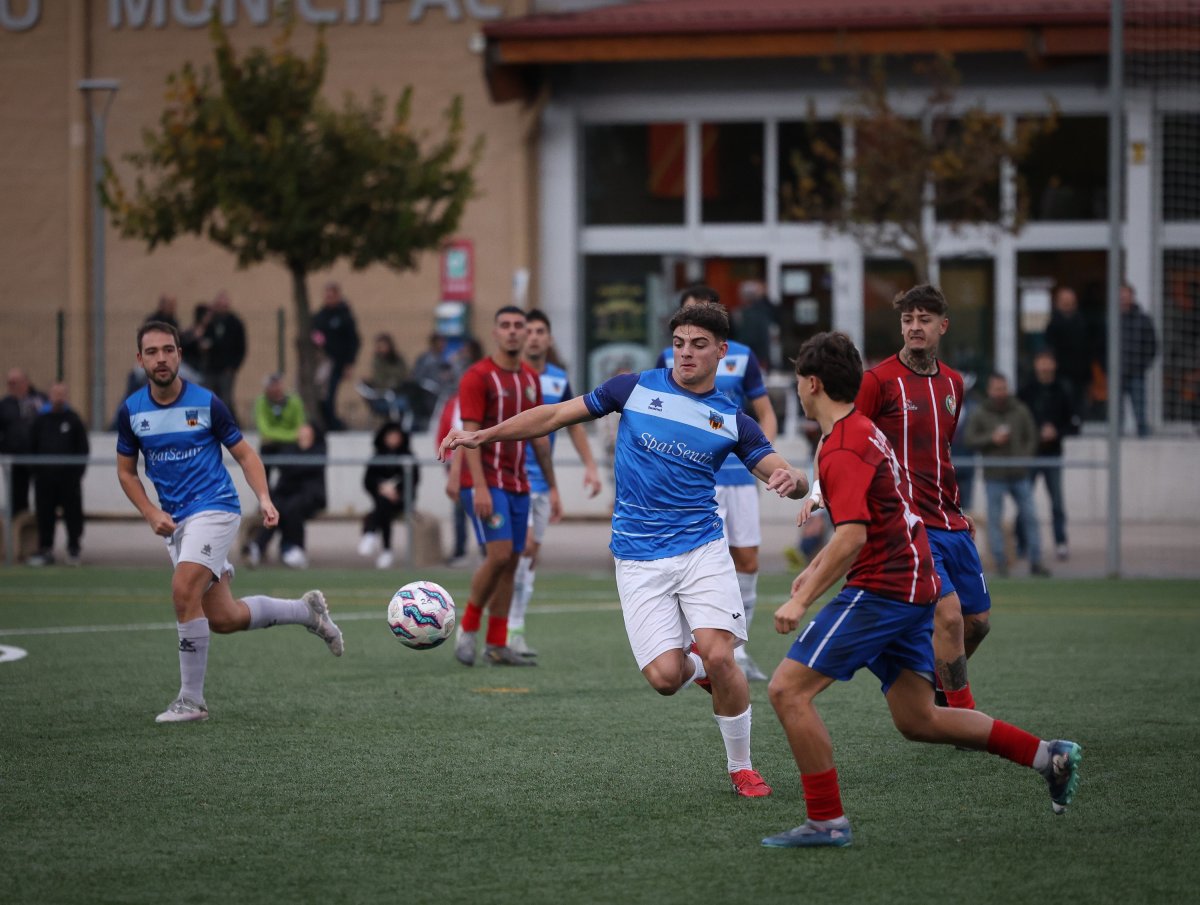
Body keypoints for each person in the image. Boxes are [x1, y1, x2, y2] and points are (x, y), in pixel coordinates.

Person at [441, 300, 810, 798]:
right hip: (637, 556)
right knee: (665, 678)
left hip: (701, 548)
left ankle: (741, 766)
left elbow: (784, 472)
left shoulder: (731, 419)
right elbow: (555, 415)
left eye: (698, 345)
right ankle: (701, 668)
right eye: (679, 344)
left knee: (722, 656)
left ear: (722, 352)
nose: (686, 353)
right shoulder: (633, 388)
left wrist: (795, 481)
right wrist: (484, 436)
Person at [762, 330, 1081, 848]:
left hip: (884, 588)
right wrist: (815, 565)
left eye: (799, 379)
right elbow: (874, 518)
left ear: (813, 384)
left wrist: (801, 599)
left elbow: (853, 535)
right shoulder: (860, 429)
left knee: (787, 691)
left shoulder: (842, 445)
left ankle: (826, 821)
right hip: (915, 586)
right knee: (919, 718)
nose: (796, 388)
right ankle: (1050, 756)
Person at [115, 321, 344, 724]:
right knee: (223, 618)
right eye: (152, 352)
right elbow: (126, 472)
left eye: (168, 350)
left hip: (215, 508)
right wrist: (150, 511)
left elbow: (246, 455)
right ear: (140, 359)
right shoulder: (132, 411)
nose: (161, 359)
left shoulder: (206, 402)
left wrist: (264, 498)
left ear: (180, 355)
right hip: (176, 521)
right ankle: (306, 612)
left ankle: (191, 701)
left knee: (183, 589)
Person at [821, 284, 990, 711]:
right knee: (948, 617)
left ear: (942, 326)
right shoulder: (877, 381)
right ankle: (963, 717)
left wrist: (957, 509)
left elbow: (940, 452)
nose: (915, 327)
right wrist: (822, 490)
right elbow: (844, 436)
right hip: (911, 524)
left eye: (924, 320)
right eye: (908, 319)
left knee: (977, 623)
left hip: (950, 520)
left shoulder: (954, 383)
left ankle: (938, 694)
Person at [656, 285, 778, 681]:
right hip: (691, 479)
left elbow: (764, 412)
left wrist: (762, 458)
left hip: (737, 479)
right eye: (683, 331)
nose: (688, 347)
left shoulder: (741, 356)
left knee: (747, 560)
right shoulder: (668, 360)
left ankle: (738, 651)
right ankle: (695, 647)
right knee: (697, 559)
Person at [448, 307, 558, 667]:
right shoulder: (477, 376)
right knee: (498, 555)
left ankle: (497, 644)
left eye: (518, 326)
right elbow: (468, 436)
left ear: (525, 333)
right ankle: (467, 629)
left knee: (512, 561)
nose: (512, 331)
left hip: (518, 482)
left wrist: (553, 487)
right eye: (505, 326)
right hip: (485, 481)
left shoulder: (530, 378)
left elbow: (539, 437)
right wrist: (478, 487)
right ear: (495, 333)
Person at [506, 309, 603, 658]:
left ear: (549, 338)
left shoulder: (558, 379)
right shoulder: (510, 375)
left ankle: (514, 628)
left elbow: (573, 424)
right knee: (522, 551)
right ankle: (503, 628)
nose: (533, 337)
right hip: (513, 476)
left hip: (543, 480)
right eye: (529, 330)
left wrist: (590, 465)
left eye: (540, 332)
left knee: (530, 557)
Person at [965, 373, 1048, 577]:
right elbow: (970, 439)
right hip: (994, 474)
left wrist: (1024, 458)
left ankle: (1036, 561)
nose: (1000, 392)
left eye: (1002, 388)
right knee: (994, 519)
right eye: (996, 389)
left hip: (1019, 473)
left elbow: (1031, 436)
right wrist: (991, 439)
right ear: (989, 390)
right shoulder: (981, 412)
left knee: (1030, 516)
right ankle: (1000, 562)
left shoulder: (1020, 410)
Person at [1018, 351, 1079, 561]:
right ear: (1036, 365)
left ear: (1054, 365)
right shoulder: (1026, 391)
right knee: (1024, 500)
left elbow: (1074, 424)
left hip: (1053, 455)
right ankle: (1022, 543)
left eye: (1048, 362)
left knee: (1057, 503)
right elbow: (1019, 423)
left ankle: (1061, 542)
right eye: (1041, 363)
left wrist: (1056, 432)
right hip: (1030, 455)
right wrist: (1035, 433)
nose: (1044, 367)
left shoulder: (1063, 390)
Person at [247, 423, 326, 569]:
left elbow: (303, 468)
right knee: (276, 509)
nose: (303, 437)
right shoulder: (290, 449)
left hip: (310, 497)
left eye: (307, 434)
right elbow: (285, 467)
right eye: (301, 433)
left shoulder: (319, 450)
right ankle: (259, 546)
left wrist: (294, 467)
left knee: (292, 507)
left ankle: (295, 548)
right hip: (287, 495)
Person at [28, 383, 89, 566]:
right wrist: (37, 472)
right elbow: (31, 447)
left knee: (73, 515)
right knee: (45, 514)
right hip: (45, 480)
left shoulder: (74, 420)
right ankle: (45, 549)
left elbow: (83, 449)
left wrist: (77, 474)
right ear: (50, 396)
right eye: (56, 394)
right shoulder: (40, 421)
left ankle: (73, 549)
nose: (59, 397)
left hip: (69, 481)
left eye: (62, 394)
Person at [357, 421, 421, 570]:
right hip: (382, 499)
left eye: (396, 436)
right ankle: (385, 550)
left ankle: (371, 533)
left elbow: (414, 480)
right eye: (390, 435)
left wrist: (397, 490)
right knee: (384, 506)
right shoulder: (377, 457)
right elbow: (368, 480)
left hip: (402, 500)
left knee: (381, 507)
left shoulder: (408, 456)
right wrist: (381, 487)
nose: (393, 439)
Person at [311, 282, 361, 431]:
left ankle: (333, 424)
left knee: (330, 394)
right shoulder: (320, 316)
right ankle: (326, 422)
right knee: (321, 395)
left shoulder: (345, 316)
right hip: (323, 363)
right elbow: (315, 335)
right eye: (327, 295)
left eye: (332, 295)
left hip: (338, 363)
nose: (328, 298)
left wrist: (349, 363)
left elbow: (353, 341)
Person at [0, 367, 47, 516]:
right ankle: (18, 526)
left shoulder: (41, 400)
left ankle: (42, 526)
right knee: (17, 498)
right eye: (9, 383)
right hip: (15, 459)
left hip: (40, 457)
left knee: (45, 496)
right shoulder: (5, 405)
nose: (11, 386)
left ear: (25, 382)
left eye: (14, 382)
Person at [1043, 286, 1093, 421]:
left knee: (1081, 406)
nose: (1067, 303)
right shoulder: (1053, 323)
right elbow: (1049, 347)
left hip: (1082, 374)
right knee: (1065, 404)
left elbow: (1089, 346)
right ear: (1058, 302)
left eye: (1070, 300)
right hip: (1062, 372)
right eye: (1064, 300)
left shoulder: (1083, 321)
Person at [1119, 282, 1158, 437]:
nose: (1123, 299)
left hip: (1136, 372)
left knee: (1140, 409)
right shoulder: (1111, 319)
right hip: (1117, 373)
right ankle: (1116, 438)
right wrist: (1107, 366)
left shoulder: (1143, 319)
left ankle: (1143, 437)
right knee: (1116, 411)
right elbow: (1101, 344)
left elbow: (1152, 345)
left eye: (1126, 295)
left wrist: (1142, 365)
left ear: (1132, 297)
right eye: (1121, 296)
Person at [201, 290, 247, 420]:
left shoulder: (235, 323)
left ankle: (228, 423)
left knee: (226, 399)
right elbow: (202, 338)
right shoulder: (210, 322)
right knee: (208, 397)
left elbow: (241, 348)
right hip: (210, 368)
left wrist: (234, 366)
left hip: (227, 369)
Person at [358, 332, 410, 424]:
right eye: (379, 346)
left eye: (383, 346)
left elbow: (404, 375)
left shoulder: (398, 359)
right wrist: (391, 382)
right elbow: (379, 380)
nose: (381, 349)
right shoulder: (378, 361)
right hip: (383, 396)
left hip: (400, 391)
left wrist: (396, 382)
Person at [254, 373, 306, 457]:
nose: (275, 389)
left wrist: (274, 436)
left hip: (289, 446)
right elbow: (264, 430)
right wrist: (291, 436)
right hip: (270, 446)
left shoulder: (295, 402)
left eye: (277, 385)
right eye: (272, 386)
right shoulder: (261, 402)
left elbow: (300, 429)